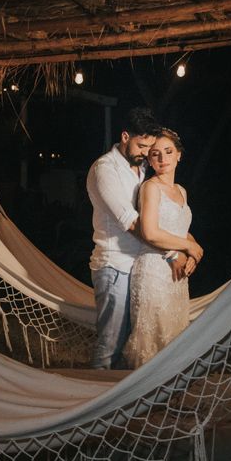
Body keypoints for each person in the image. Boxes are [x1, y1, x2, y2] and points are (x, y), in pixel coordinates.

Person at [86, 109, 194, 369]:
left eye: (150, 147)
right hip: (114, 266)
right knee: (110, 345)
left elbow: (162, 220)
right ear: (125, 136)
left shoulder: (140, 166)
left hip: (139, 266)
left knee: (130, 347)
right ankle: (96, 402)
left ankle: (123, 399)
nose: (147, 153)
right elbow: (136, 224)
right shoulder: (106, 170)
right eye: (142, 146)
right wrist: (178, 251)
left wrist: (184, 249)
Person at [123, 128, 203, 368]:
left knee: (173, 336)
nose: (162, 159)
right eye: (155, 154)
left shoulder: (181, 191)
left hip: (177, 279)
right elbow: (150, 232)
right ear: (149, 159)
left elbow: (179, 227)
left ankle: (168, 400)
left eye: (168, 152)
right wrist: (188, 245)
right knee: (151, 343)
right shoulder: (150, 188)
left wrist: (193, 251)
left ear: (179, 155)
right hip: (154, 272)